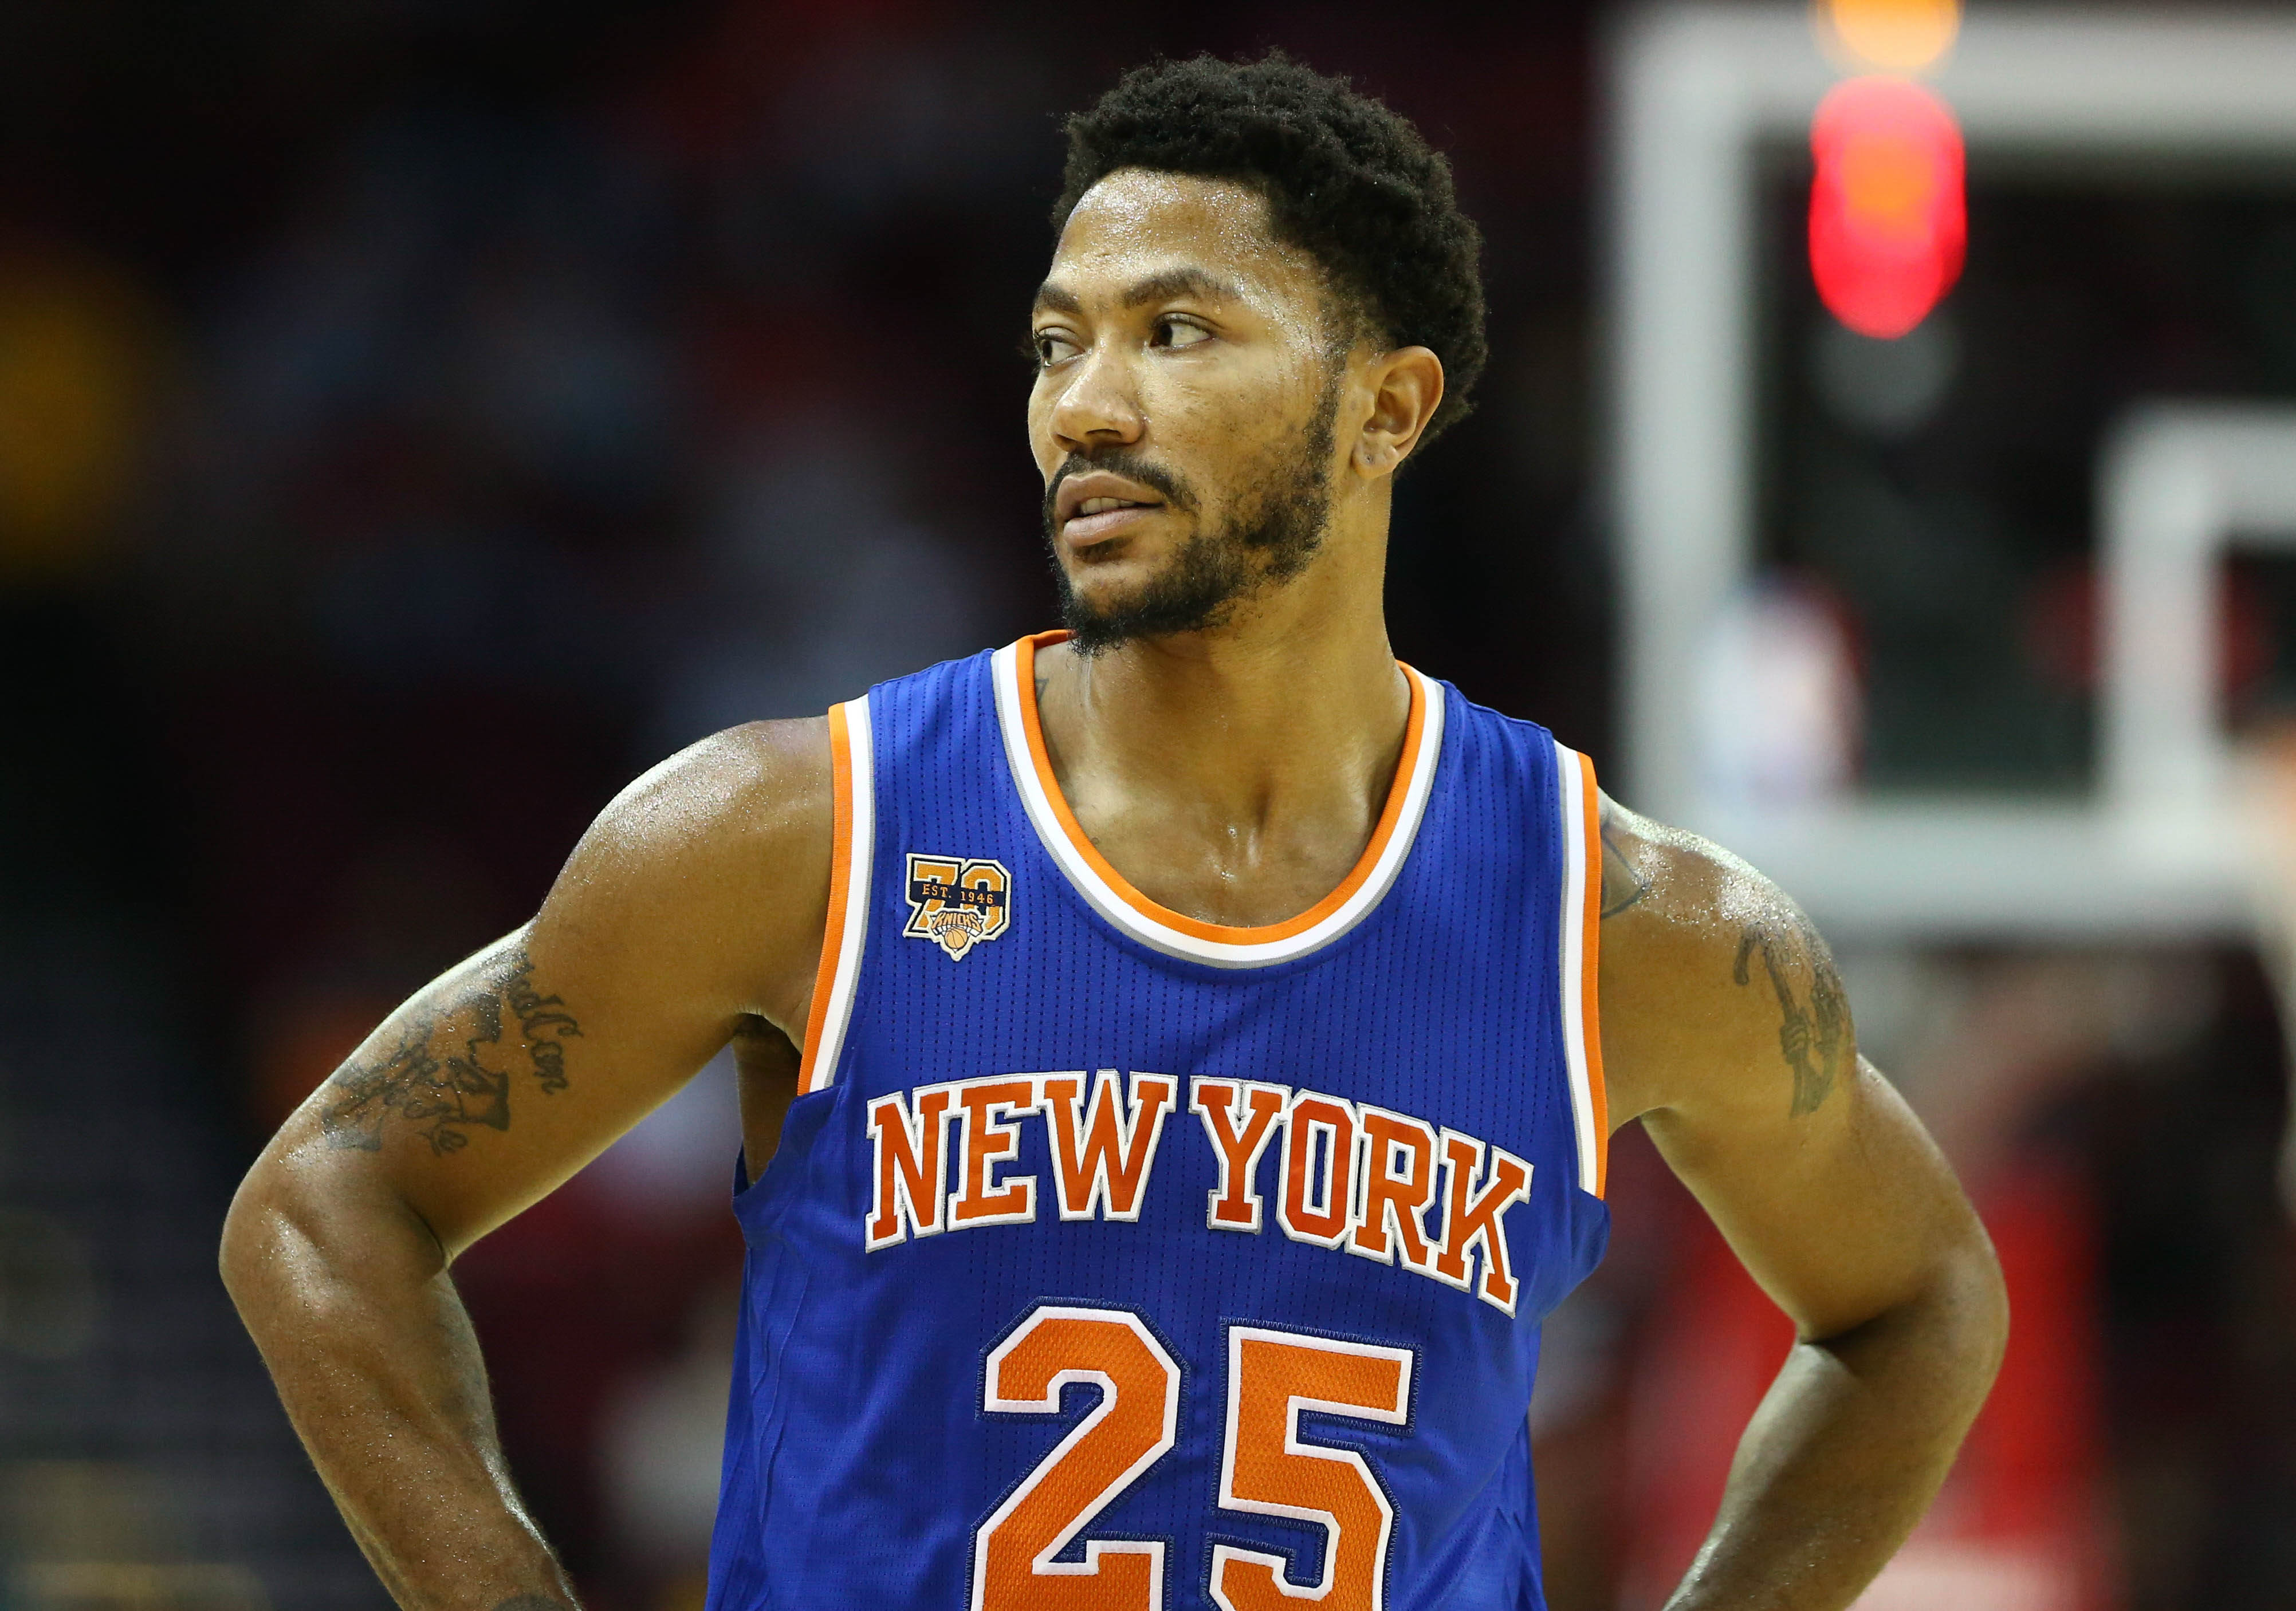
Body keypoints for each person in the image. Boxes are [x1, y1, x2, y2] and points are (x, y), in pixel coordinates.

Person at [222, 53, 2007, 1611]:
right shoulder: (804, 836)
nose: (1085, 403)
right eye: (1058, 343)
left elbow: (1921, 1302)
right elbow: (326, 1207)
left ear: (1388, 405)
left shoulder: (1623, 926)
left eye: (1177, 330)